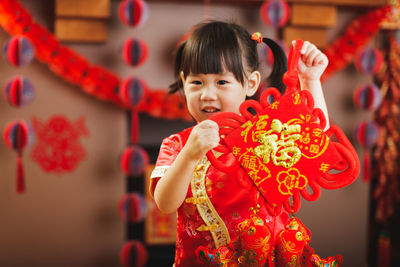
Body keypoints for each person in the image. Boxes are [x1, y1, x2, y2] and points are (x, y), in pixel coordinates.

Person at [149, 20, 329, 267]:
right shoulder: (178, 144)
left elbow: (315, 141)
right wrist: (189, 155)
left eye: (222, 82)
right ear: (183, 82)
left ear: (251, 83)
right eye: (196, 82)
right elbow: (165, 204)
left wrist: (311, 80)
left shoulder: (264, 133)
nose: (207, 94)